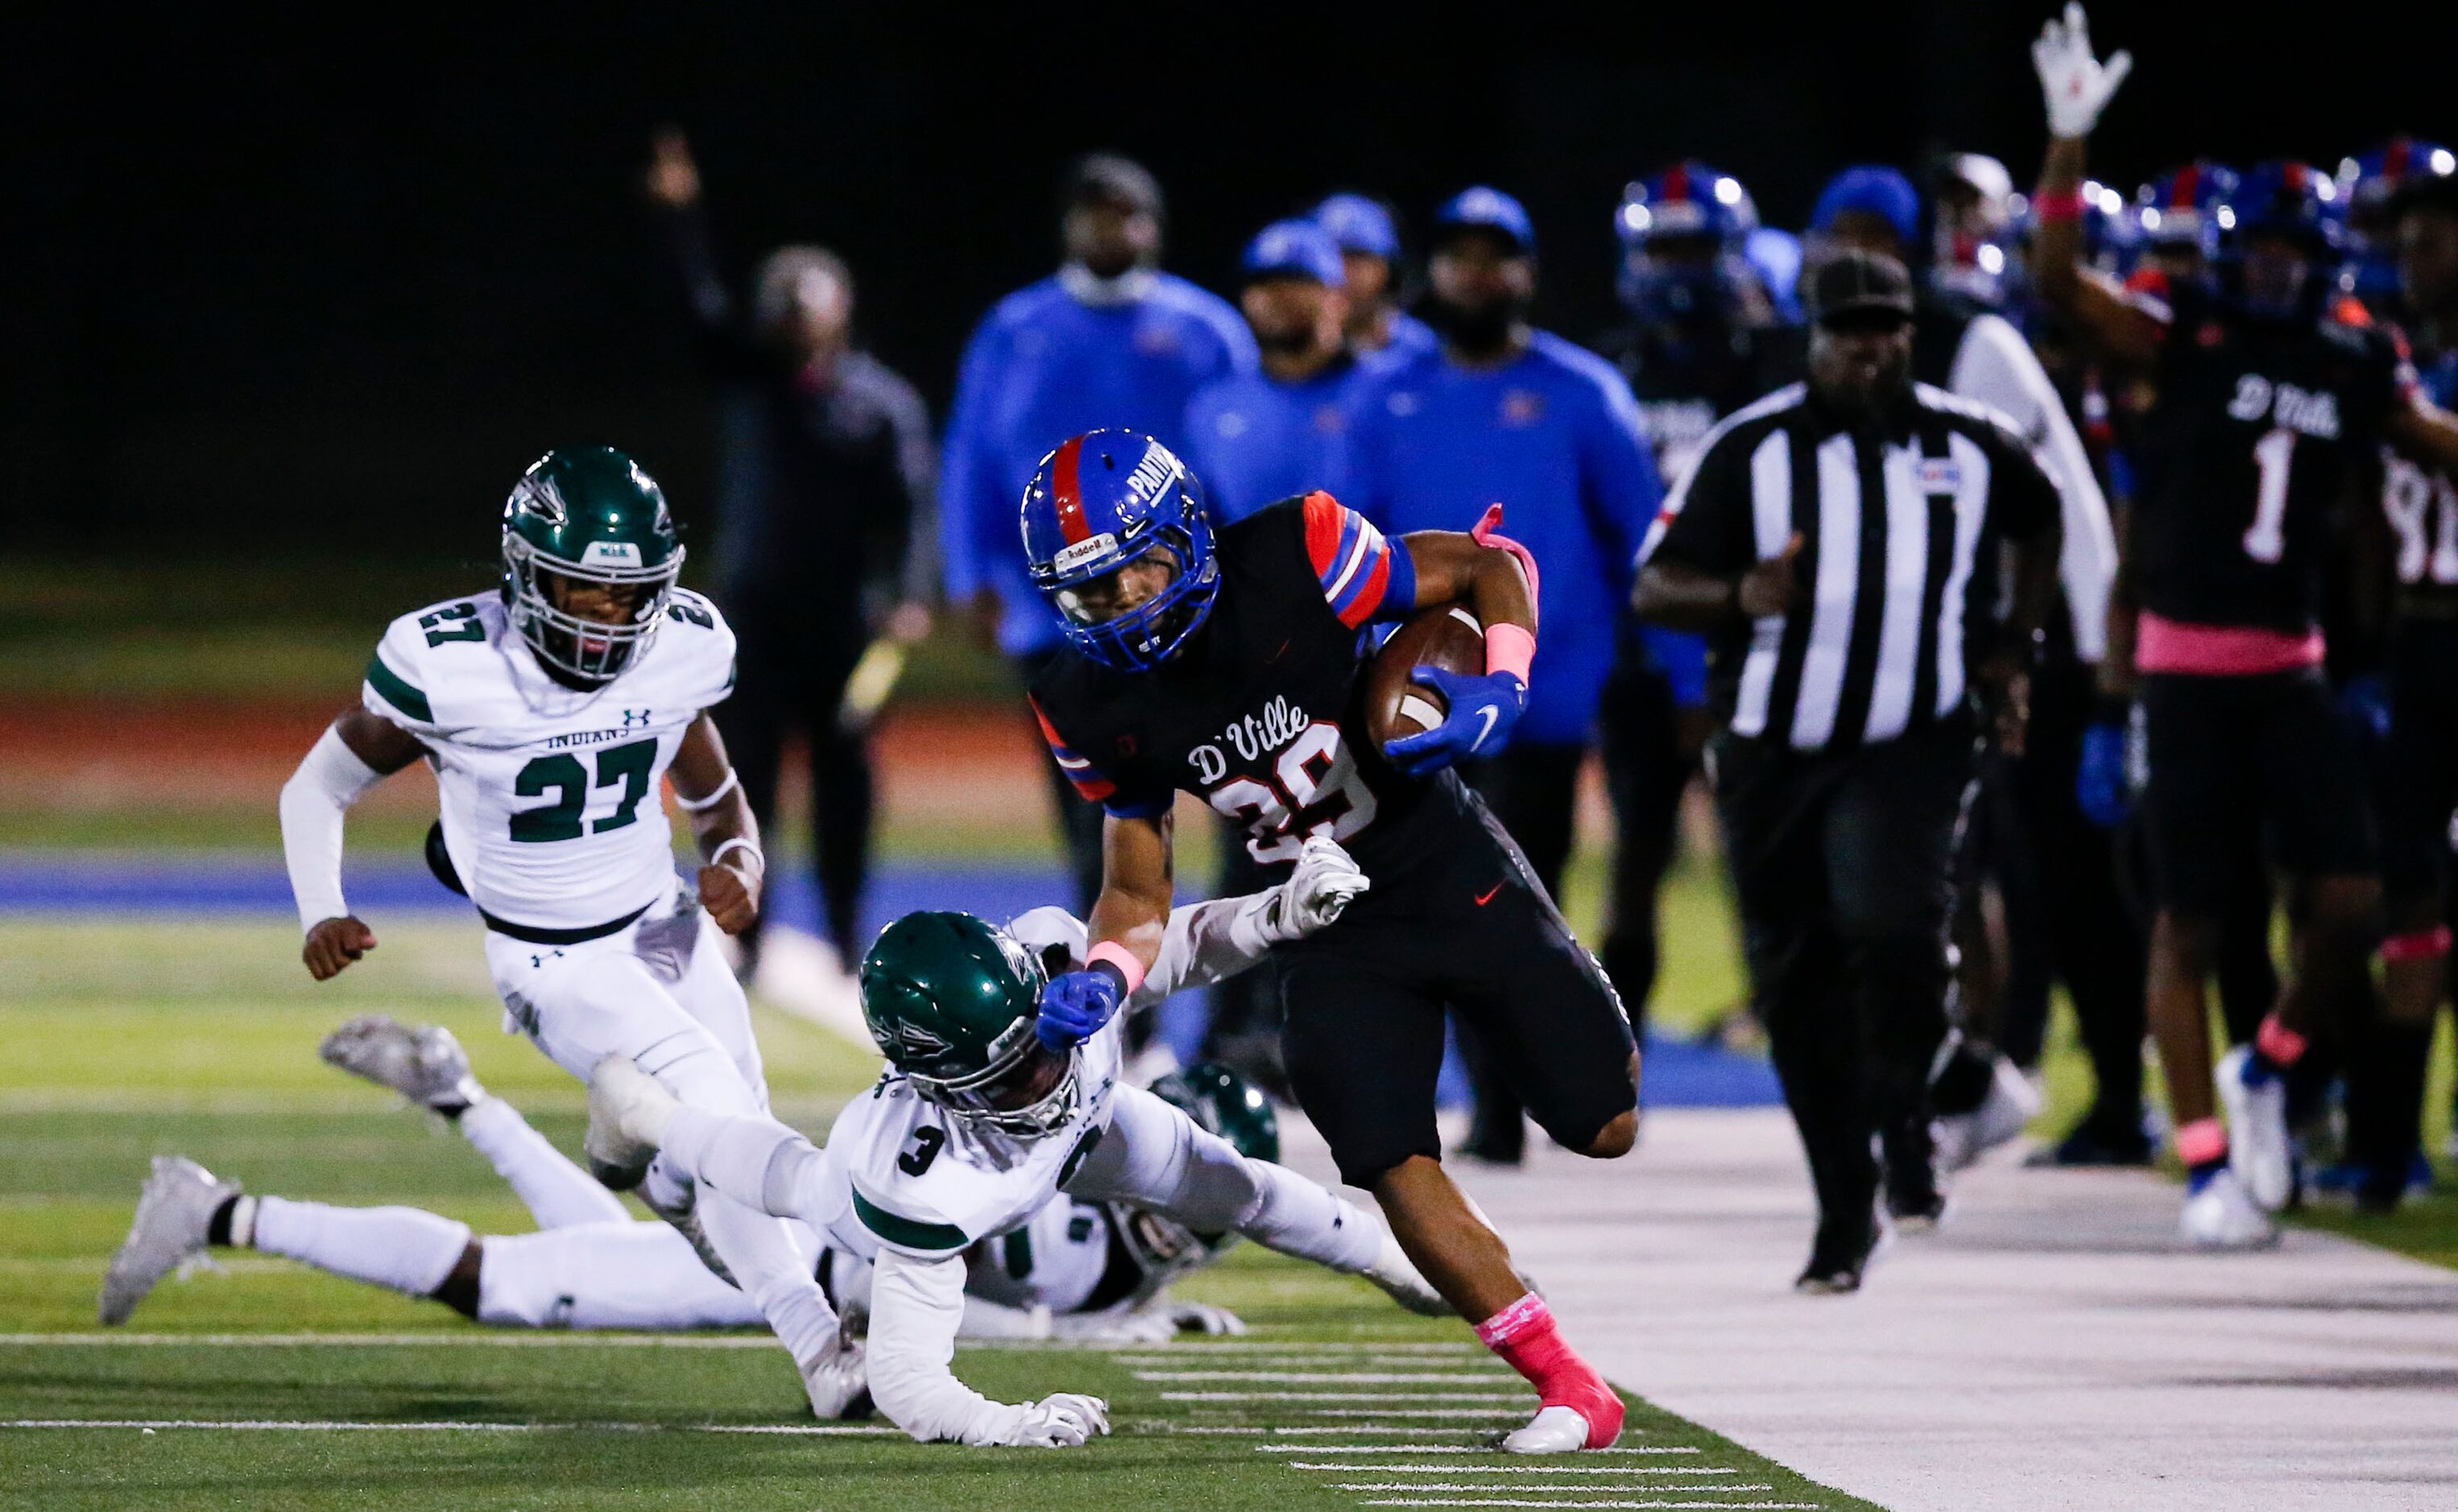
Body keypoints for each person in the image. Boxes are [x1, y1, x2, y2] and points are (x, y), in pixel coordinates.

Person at [1018, 429, 1639, 1452]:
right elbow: (1135, 892)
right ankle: (1568, 1384)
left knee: (1602, 1122)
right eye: (1091, 594)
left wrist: (1503, 680)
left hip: (1441, 862)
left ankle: (1575, 987)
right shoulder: (1084, 700)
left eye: (1138, 571)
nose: (1124, 607)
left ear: (1188, 538)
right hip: (1322, 913)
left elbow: (1490, 563)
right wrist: (1107, 974)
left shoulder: (1296, 553)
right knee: (1384, 1152)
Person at [261, 445, 863, 1415]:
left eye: (629, 598)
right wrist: (319, 907)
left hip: (662, 927)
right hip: (553, 957)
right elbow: (318, 785)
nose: (608, 618)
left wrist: (739, 864)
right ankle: (823, 1340)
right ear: (526, 574)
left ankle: (672, 1194)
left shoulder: (682, 649)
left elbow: (718, 801)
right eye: (582, 593)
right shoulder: (450, 665)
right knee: (713, 1103)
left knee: (733, 1126)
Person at [2026, 5, 2458, 1246]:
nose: (2271, 266)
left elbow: (2432, 449)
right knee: (2189, 923)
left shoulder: (2348, 360)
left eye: (2289, 249)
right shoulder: (2184, 340)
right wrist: (2067, 145)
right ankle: (2209, 1161)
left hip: (2297, 672)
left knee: (2353, 907)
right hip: (2184, 673)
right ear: (2231, 255)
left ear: (2318, 256)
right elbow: (2059, 281)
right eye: (2254, 248)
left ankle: (2268, 1069)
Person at [583, 855, 1450, 1448]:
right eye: (1007, 1075)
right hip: (969, 1172)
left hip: (1090, 1139)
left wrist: (1277, 914)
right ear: (936, 1082)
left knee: (1236, 1188)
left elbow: (1175, 947)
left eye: (1040, 1047)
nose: (1042, 1078)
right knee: (804, 1184)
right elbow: (906, 1382)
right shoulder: (913, 1179)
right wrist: (1010, 1423)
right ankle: (651, 1119)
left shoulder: (1056, 971)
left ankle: (1404, 1266)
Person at [1634, 250, 2065, 1291]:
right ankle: (1843, 1204)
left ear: (1912, 331)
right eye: (1848, 329)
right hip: (1775, 748)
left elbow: (2043, 512)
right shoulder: (1750, 449)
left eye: (1888, 326)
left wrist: (2016, 640)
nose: (1870, 348)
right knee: (1798, 982)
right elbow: (1655, 585)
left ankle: (1911, 1122)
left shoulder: (1969, 443)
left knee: (1894, 927)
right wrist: (1742, 593)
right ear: (1811, 338)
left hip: (1912, 734)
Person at [97, 999, 1318, 1342]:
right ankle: (219, 1206)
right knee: (509, 1283)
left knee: (607, 1241)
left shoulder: (1116, 1241)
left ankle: (462, 1096)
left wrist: (1136, 1312)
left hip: (798, 1241)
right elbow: (960, 1291)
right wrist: (1085, 1339)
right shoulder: (1072, 1203)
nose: (1178, 1227)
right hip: (799, 1257)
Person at [1789, 160, 2125, 1167]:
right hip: (1903, 655)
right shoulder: (1817, 354)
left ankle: (2098, 1091)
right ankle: (1969, 1076)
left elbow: (2062, 504)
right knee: (1928, 876)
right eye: (1832, 231)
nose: (1849, 253)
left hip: (2017, 655)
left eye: (1868, 233)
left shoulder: (1975, 343)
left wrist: (2098, 663)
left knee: (2056, 879)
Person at [1343, 187, 1661, 1165]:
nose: (1477, 274)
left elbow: (1642, 541)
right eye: (1459, 255)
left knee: (1529, 902)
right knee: (1440, 901)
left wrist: (1666, 680)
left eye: (1498, 256)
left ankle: (1561, 1086)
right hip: (1415, 704)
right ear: (1431, 272)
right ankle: (1487, 1108)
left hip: (1547, 701)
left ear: (1527, 270)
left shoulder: (1582, 391)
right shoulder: (1387, 399)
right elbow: (1347, 553)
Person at [643, 130, 936, 969]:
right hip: (755, 618)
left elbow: (913, 508)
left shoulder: (880, 405)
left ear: (839, 309)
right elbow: (690, 314)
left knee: (846, 788)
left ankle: (846, 934)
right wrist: (677, 221)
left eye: (806, 306)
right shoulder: (750, 378)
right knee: (747, 786)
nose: (794, 322)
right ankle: (748, 933)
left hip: (846, 622)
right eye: (783, 308)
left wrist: (910, 594)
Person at [938, 155, 1257, 909]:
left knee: (1247, 790)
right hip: (1052, 607)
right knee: (1095, 806)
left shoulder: (1206, 328)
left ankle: (1237, 1005)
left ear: (1152, 226)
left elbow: (1249, 454)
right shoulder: (1014, 328)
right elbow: (970, 454)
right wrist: (966, 573)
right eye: (1095, 212)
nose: (1109, 227)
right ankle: (1124, 987)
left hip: (1186, 603)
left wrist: (1248, 567)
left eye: (1125, 212)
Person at [1592, 161, 1786, 1048]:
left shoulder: (1765, 361)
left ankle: (1774, 1005)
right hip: (1642, 638)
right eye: (1662, 248)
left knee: (1761, 839)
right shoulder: (1613, 370)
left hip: (1751, 633)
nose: (1675, 269)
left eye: (1692, 249)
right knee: (1639, 845)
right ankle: (1613, 1024)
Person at [1180, 218, 1373, 1082]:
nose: (1279, 298)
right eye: (1264, 282)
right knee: (1250, 854)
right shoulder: (1215, 407)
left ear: (1338, 295)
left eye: (1299, 280)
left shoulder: (1387, 395)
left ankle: (1342, 1044)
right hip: (1253, 675)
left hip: (1368, 666)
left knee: (1368, 860)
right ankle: (1232, 1041)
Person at [2339, 159, 2458, 1208]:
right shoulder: (2399, 353)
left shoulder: (2401, 375)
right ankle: (2388, 1139)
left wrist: (2397, 407)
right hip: (2417, 646)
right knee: (2405, 894)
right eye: (2406, 242)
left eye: (2431, 241)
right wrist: (2368, 656)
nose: (2412, 261)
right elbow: (2371, 528)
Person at [1316, 192, 1439, 371]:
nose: (1340, 272)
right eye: (1329, 257)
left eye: (1356, 258)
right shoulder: (1276, 354)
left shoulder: (1423, 350)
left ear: (1387, 269)